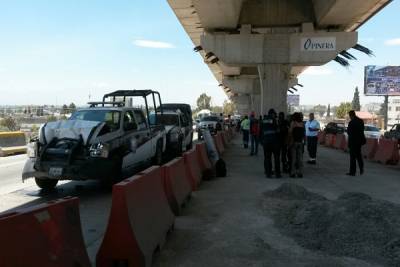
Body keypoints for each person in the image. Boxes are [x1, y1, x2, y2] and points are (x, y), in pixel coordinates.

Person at [260, 109, 281, 178]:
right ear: (272, 114)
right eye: (274, 114)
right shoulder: (274, 120)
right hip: (274, 142)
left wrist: (261, 141)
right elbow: (277, 130)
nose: (275, 115)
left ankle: (268, 173)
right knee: (276, 158)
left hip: (266, 142)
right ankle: (277, 174)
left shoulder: (263, 120)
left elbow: (260, 131)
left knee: (267, 158)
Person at [346, 110, 366, 176]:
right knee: (359, 156)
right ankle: (361, 169)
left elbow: (349, 132)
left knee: (353, 158)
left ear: (351, 115)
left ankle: (352, 172)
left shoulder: (351, 122)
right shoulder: (361, 121)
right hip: (359, 141)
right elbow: (362, 130)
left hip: (353, 142)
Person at [288, 112, 305, 178]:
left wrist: (289, 142)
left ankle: (293, 173)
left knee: (294, 159)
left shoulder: (293, 123)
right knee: (300, 159)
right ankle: (300, 173)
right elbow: (304, 134)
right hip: (300, 143)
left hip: (294, 143)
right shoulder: (302, 124)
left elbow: (290, 132)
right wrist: (304, 142)